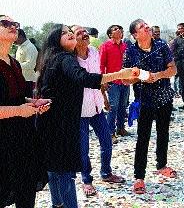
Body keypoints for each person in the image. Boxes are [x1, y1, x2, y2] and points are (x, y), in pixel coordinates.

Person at [37, 24, 138, 208]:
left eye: (70, 32)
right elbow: (85, 78)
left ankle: (58, 204)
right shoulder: (66, 58)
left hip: (56, 120)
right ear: (54, 39)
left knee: (55, 169)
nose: (71, 35)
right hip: (61, 123)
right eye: (65, 33)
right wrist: (119, 74)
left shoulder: (57, 57)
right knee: (65, 170)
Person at [123, 18, 177, 195]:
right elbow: (125, 78)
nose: (147, 27)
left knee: (163, 133)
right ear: (135, 34)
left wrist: (159, 75)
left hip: (164, 98)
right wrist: (139, 76)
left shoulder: (161, 45)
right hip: (144, 100)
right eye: (142, 27)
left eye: (147, 25)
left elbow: (173, 69)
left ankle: (162, 165)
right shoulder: (130, 51)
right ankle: (139, 177)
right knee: (143, 138)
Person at [0, 15, 50, 208]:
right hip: (3, 140)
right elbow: (15, 106)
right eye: (5, 23)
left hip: (22, 137)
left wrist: (34, 103)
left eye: (15, 24)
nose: (13, 27)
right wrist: (19, 110)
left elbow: (17, 97)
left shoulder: (14, 62)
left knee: (26, 189)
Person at [72, 25, 126, 197]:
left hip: (97, 107)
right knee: (83, 148)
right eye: (79, 33)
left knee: (107, 141)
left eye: (85, 32)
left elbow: (100, 79)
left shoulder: (94, 51)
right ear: (73, 38)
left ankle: (106, 172)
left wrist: (104, 99)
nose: (84, 35)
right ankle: (86, 179)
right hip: (80, 110)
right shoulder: (70, 58)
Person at [100, 24, 130, 141]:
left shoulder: (125, 46)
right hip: (113, 82)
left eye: (120, 29)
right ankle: (110, 132)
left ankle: (121, 128)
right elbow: (101, 65)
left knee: (123, 106)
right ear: (110, 34)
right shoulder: (105, 46)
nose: (119, 31)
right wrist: (103, 81)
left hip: (125, 81)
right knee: (113, 107)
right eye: (115, 29)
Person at [14, 29, 39, 97]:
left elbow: (30, 65)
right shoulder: (20, 47)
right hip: (20, 79)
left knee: (27, 103)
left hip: (28, 80)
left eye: (15, 37)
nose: (13, 40)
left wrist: (15, 65)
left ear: (21, 37)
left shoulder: (30, 47)